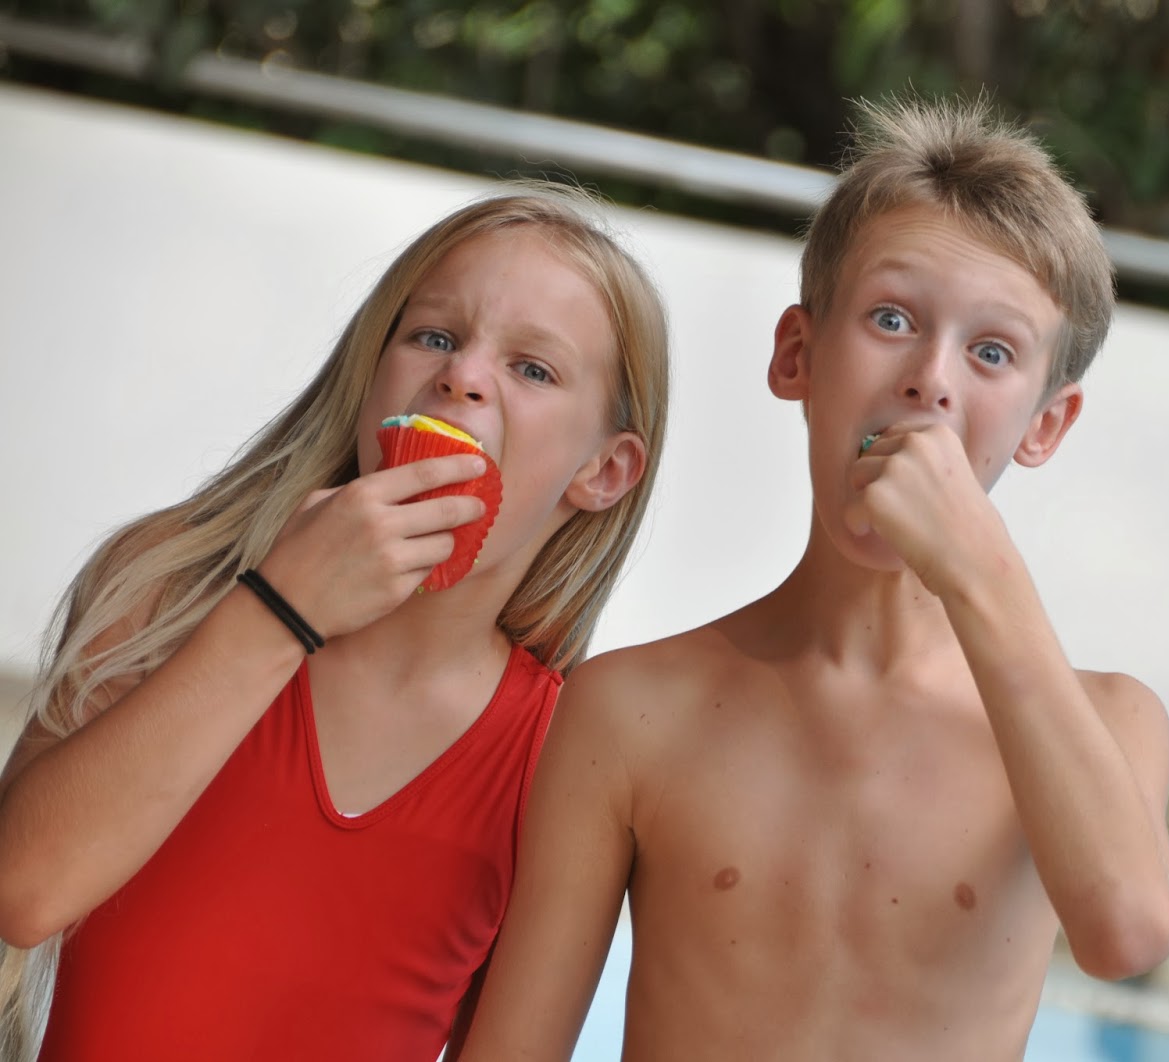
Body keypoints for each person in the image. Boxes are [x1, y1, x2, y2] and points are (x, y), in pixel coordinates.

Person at [460, 96, 1169, 1061]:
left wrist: (979, 569)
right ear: (798, 354)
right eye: (892, 318)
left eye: (992, 352)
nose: (931, 378)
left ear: (1045, 425)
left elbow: (1126, 934)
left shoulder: (1111, 725)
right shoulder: (632, 709)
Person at [0, 188, 670, 1062]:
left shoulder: (562, 752)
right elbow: (24, 890)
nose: (463, 375)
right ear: (371, 374)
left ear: (605, 471)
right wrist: (281, 610)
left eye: (533, 369)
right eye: (434, 336)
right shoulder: (170, 585)